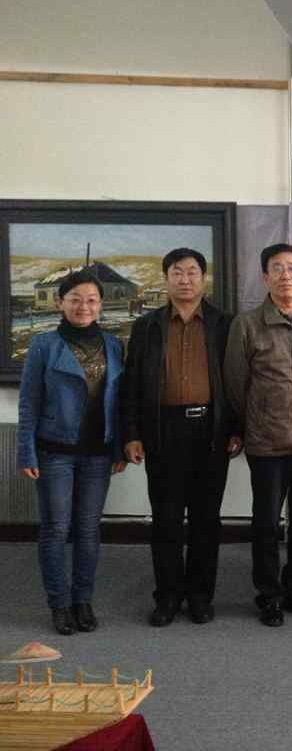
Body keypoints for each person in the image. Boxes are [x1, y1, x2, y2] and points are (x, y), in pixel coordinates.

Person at [122, 248, 242, 627]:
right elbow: (131, 384)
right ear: (166, 279)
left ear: (204, 279)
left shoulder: (225, 324)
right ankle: (168, 597)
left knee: (206, 520)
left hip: (211, 430)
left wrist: (236, 428)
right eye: (177, 272)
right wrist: (132, 433)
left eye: (192, 272)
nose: (185, 279)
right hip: (163, 430)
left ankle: (200, 597)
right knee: (167, 519)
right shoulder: (147, 327)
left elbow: (238, 381)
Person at [17, 270, 126, 635]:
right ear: (60, 303)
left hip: (98, 453)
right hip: (54, 453)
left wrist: (119, 446)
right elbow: (29, 402)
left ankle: (82, 600)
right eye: (75, 299)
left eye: (92, 299)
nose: (84, 306)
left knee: (88, 529)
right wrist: (26, 452)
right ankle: (59, 603)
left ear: (101, 304)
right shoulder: (43, 345)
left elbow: (119, 402)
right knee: (56, 528)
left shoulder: (114, 344)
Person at [225, 243, 292, 627]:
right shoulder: (247, 324)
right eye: (278, 268)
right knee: (267, 523)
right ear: (264, 277)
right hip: (267, 440)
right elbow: (235, 383)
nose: (286, 275)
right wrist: (245, 425)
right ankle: (268, 595)